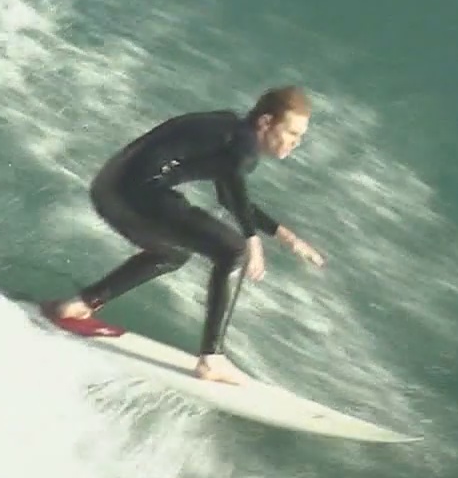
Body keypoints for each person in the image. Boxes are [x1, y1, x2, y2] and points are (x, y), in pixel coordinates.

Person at [41, 85, 326, 385]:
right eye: (292, 133)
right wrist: (251, 240)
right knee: (232, 250)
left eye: (300, 137)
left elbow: (229, 197)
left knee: (173, 252)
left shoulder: (230, 133)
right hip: (136, 191)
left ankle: (79, 304)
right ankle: (211, 358)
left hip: (110, 187)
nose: (296, 143)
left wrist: (287, 237)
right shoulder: (243, 143)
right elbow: (234, 185)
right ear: (266, 123)